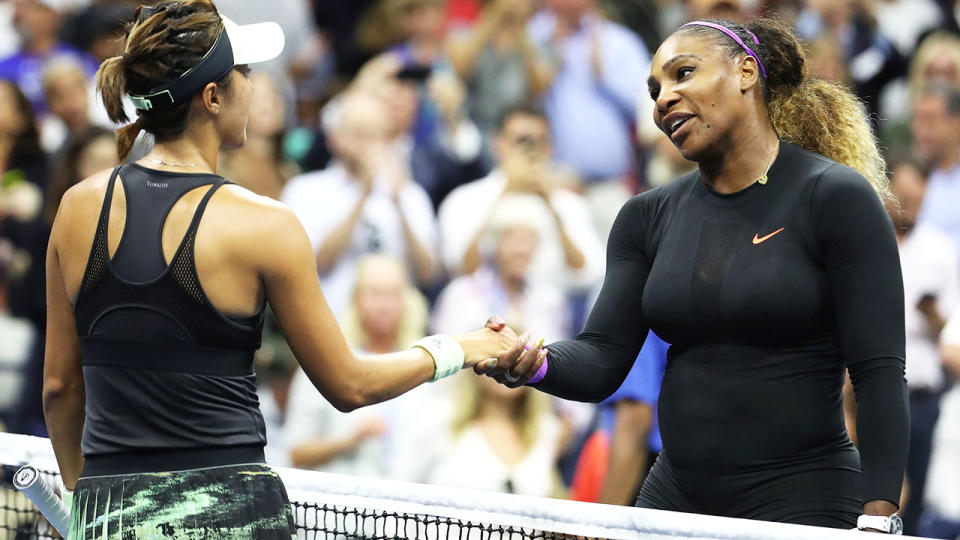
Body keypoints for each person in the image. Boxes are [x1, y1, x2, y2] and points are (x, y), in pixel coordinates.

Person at [41, 2, 514, 538]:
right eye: (244, 72)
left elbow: (60, 387)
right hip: (235, 515)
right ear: (213, 97)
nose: (254, 84)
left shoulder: (77, 208)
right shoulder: (266, 224)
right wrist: (460, 348)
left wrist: (84, 502)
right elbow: (350, 386)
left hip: (109, 514)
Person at [479, 18, 908, 531]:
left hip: (802, 499)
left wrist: (880, 514)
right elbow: (601, 359)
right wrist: (534, 362)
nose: (663, 99)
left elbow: (879, 372)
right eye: (655, 90)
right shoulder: (646, 216)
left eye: (683, 74)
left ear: (747, 71)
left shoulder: (834, 197)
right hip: (674, 497)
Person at [281, 89, 440, 317]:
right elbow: (318, 262)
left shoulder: (408, 193)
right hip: (331, 324)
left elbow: (427, 273)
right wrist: (363, 193)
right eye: (358, 133)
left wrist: (399, 204)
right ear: (333, 137)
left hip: (398, 329)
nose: (367, 143)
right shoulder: (305, 190)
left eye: (376, 134)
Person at [883, 153, 959, 534]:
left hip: (924, 395)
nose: (911, 206)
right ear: (888, 193)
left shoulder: (939, 248)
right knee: (878, 496)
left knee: (918, 502)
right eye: (904, 198)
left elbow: (954, 332)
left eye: (918, 199)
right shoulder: (871, 240)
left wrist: (933, 315)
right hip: (873, 395)